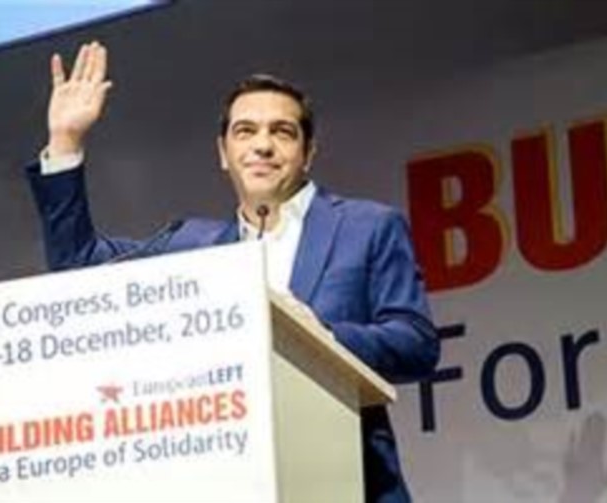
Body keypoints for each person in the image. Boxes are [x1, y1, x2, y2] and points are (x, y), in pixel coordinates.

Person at [26, 40, 439, 503]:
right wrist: (65, 142)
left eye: (282, 132)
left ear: (308, 152)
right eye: (245, 131)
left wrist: (320, 337)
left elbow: (416, 343)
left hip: (348, 482)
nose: (262, 145)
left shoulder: (368, 226)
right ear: (223, 153)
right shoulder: (190, 245)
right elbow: (80, 266)